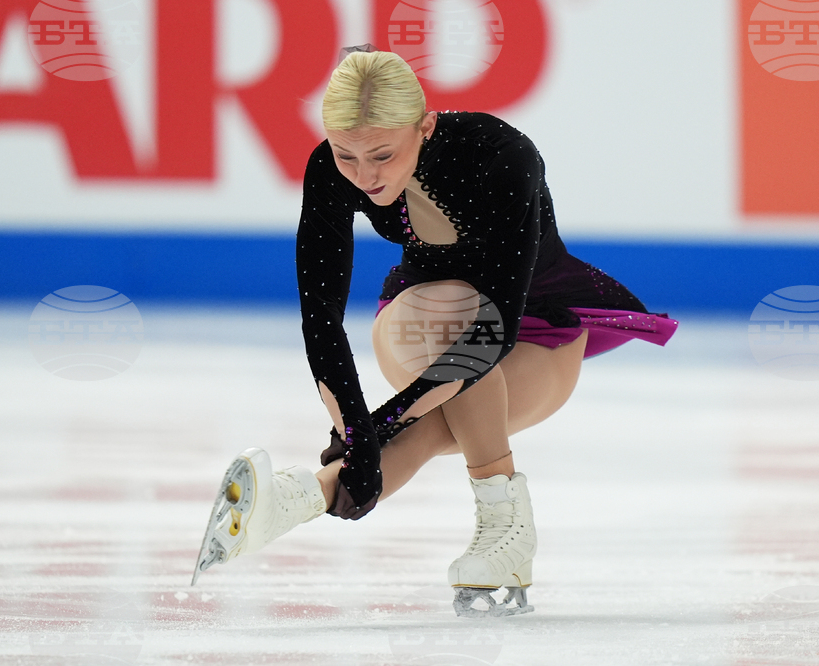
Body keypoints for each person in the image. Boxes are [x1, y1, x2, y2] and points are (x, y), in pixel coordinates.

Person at [193, 48, 678, 617]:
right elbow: (320, 315)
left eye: (382, 155)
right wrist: (354, 428)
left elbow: (491, 328)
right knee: (439, 329)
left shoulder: (500, 156)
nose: (364, 175)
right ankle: (506, 534)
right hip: (418, 323)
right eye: (346, 155)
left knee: (432, 407)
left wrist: (378, 427)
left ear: (425, 126)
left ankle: (300, 500)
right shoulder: (332, 168)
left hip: (533, 329)